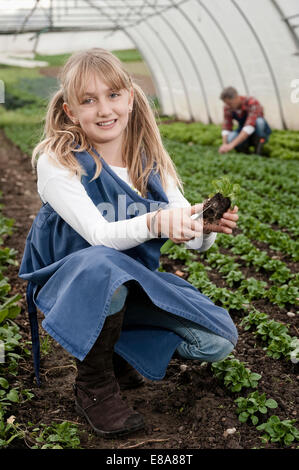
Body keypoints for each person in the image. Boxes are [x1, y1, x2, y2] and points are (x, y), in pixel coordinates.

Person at [19, 48, 239, 439]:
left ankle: (113, 347)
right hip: (70, 281)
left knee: (216, 341)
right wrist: (156, 220)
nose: (104, 109)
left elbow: (191, 243)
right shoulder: (59, 160)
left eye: (113, 95)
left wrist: (204, 226)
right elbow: (99, 237)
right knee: (104, 266)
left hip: (127, 280)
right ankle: (94, 386)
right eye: (89, 100)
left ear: (131, 99)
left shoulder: (150, 161)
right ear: (71, 111)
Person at [218, 86, 272, 155]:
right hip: (243, 130)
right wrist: (224, 144)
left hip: (258, 131)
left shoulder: (252, 102)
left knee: (259, 122)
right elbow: (227, 126)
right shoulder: (227, 107)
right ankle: (245, 152)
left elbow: (249, 126)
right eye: (226, 103)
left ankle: (258, 146)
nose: (228, 106)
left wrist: (231, 145)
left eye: (230, 103)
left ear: (237, 97)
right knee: (231, 137)